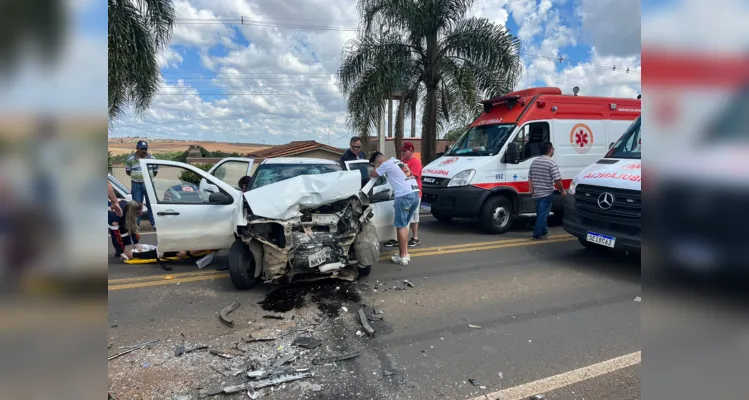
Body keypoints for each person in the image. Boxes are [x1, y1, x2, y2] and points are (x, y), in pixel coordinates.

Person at [369, 151, 420, 265]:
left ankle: (402, 256)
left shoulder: (386, 164)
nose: (376, 167)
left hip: (404, 196)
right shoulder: (397, 161)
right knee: (404, 226)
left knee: (401, 227)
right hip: (415, 194)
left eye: (375, 164)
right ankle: (405, 253)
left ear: (379, 161)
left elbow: (372, 174)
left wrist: (377, 167)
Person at [383, 142, 423, 248]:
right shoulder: (402, 161)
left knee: (414, 216)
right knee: (402, 218)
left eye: (405, 151)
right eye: (402, 151)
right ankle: (398, 239)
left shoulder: (415, 162)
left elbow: (413, 175)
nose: (403, 153)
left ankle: (415, 238)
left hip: (414, 192)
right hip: (402, 193)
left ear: (411, 150)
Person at [528, 142, 566, 240]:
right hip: (547, 193)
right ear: (550, 150)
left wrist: (531, 188)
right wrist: (562, 190)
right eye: (553, 149)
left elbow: (530, 176)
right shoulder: (551, 163)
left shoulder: (535, 162)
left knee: (541, 213)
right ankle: (537, 234)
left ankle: (544, 231)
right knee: (542, 214)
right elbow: (557, 180)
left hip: (536, 193)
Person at [125, 140, 158, 229]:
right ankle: (136, 225)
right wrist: (137, 177)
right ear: (137, 148)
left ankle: (154, 224)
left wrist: (147, 179)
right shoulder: (131, 159)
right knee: (136, 206)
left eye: (145, 149)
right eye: (142, 149)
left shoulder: (152, 158)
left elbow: (155, 171)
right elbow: (128, 171)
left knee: (151, 204)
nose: (144, 151)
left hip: (149, 185)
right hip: (136, 185)